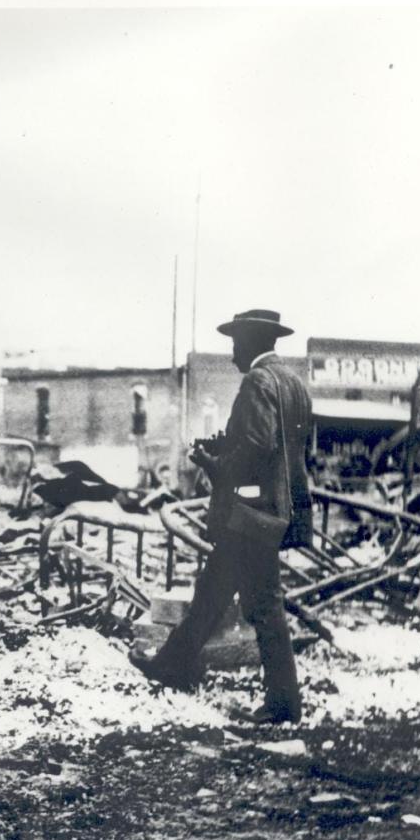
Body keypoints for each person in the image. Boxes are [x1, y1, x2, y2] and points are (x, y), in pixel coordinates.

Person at [132, 308, 313, 725]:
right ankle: (172, 666)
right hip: (277, 510)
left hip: (251, 515)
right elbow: (293, 453)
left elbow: (255, 447)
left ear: (250, 342)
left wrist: (215, 463)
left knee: (263, 604)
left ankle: (284, 704)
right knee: (212, 590)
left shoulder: (257, 381)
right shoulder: (295, 385)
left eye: (235, 343)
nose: (232, 353)